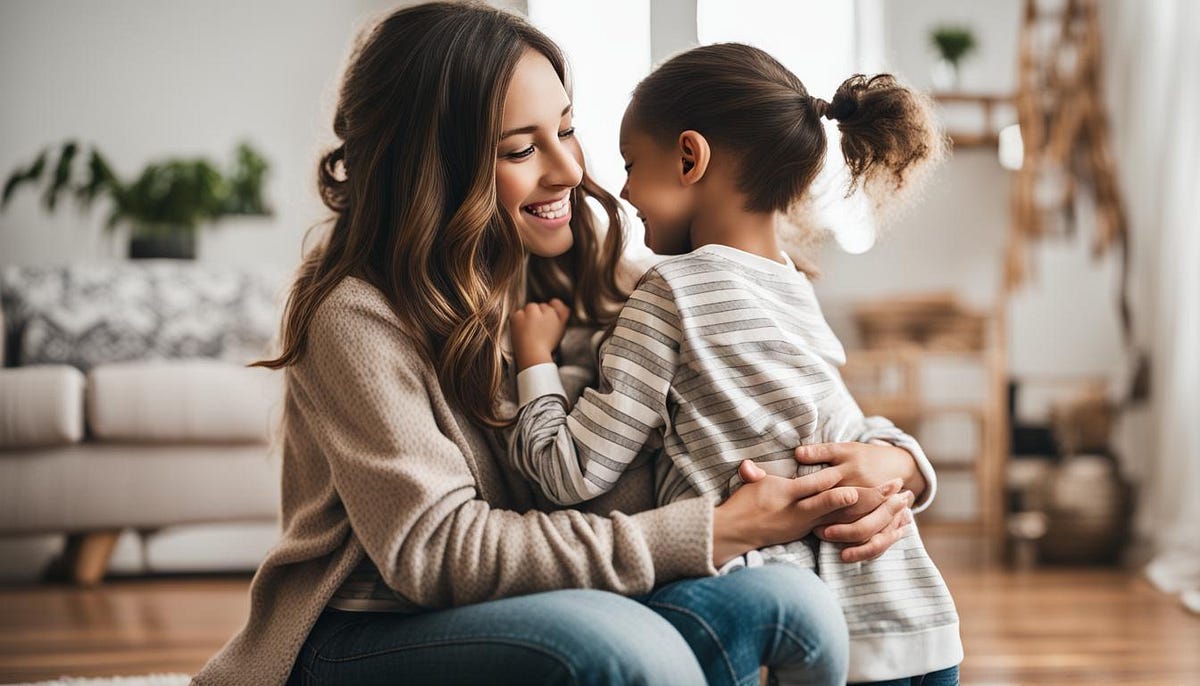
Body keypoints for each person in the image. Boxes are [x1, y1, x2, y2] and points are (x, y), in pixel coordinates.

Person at [191, 5, 929, 685]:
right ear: (431, 170)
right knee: (624, 653)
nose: (571, 171)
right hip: (370, 633)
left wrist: (890, 468)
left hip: (560, 596)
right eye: (521, 148)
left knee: (794, 605)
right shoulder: (355, 318)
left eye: (566, 129)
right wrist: (712, 531)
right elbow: (437, 553)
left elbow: (790, 393)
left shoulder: (614, 279)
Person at [507, 43, 962, 685]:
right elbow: (846, 428)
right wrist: (910, 465)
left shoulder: (668, 293)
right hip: (910, 611)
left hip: (797, 622)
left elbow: (570, 471)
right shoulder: (793, 287)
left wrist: (535, 361)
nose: (624, 189)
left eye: (633, 165)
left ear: (690, 157)